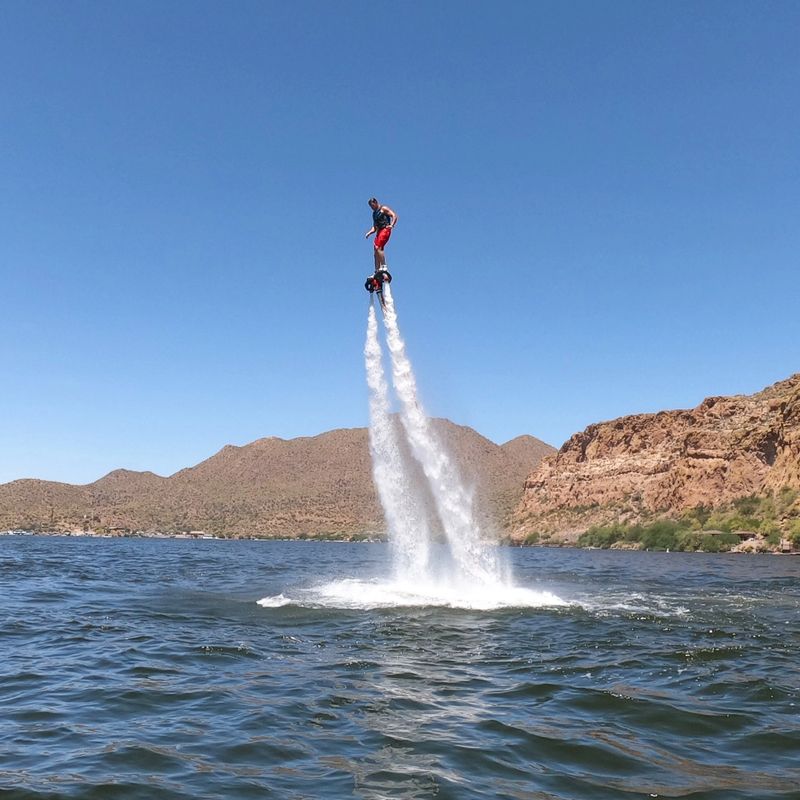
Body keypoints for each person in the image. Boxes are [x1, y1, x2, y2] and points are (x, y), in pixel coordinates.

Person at [364, 197, 398, 272]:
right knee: (375, 250)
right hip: (379, 232)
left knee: (378, 247)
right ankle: (377, 270)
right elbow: (374, 227)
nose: (372, 208)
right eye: (370, 207)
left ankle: (384, 266)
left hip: (385, 229)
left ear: (376, 202)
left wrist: (391, 225)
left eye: (372, 206)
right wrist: (369, 233)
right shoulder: (374, 214)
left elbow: (394, 215)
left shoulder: (383, 208)